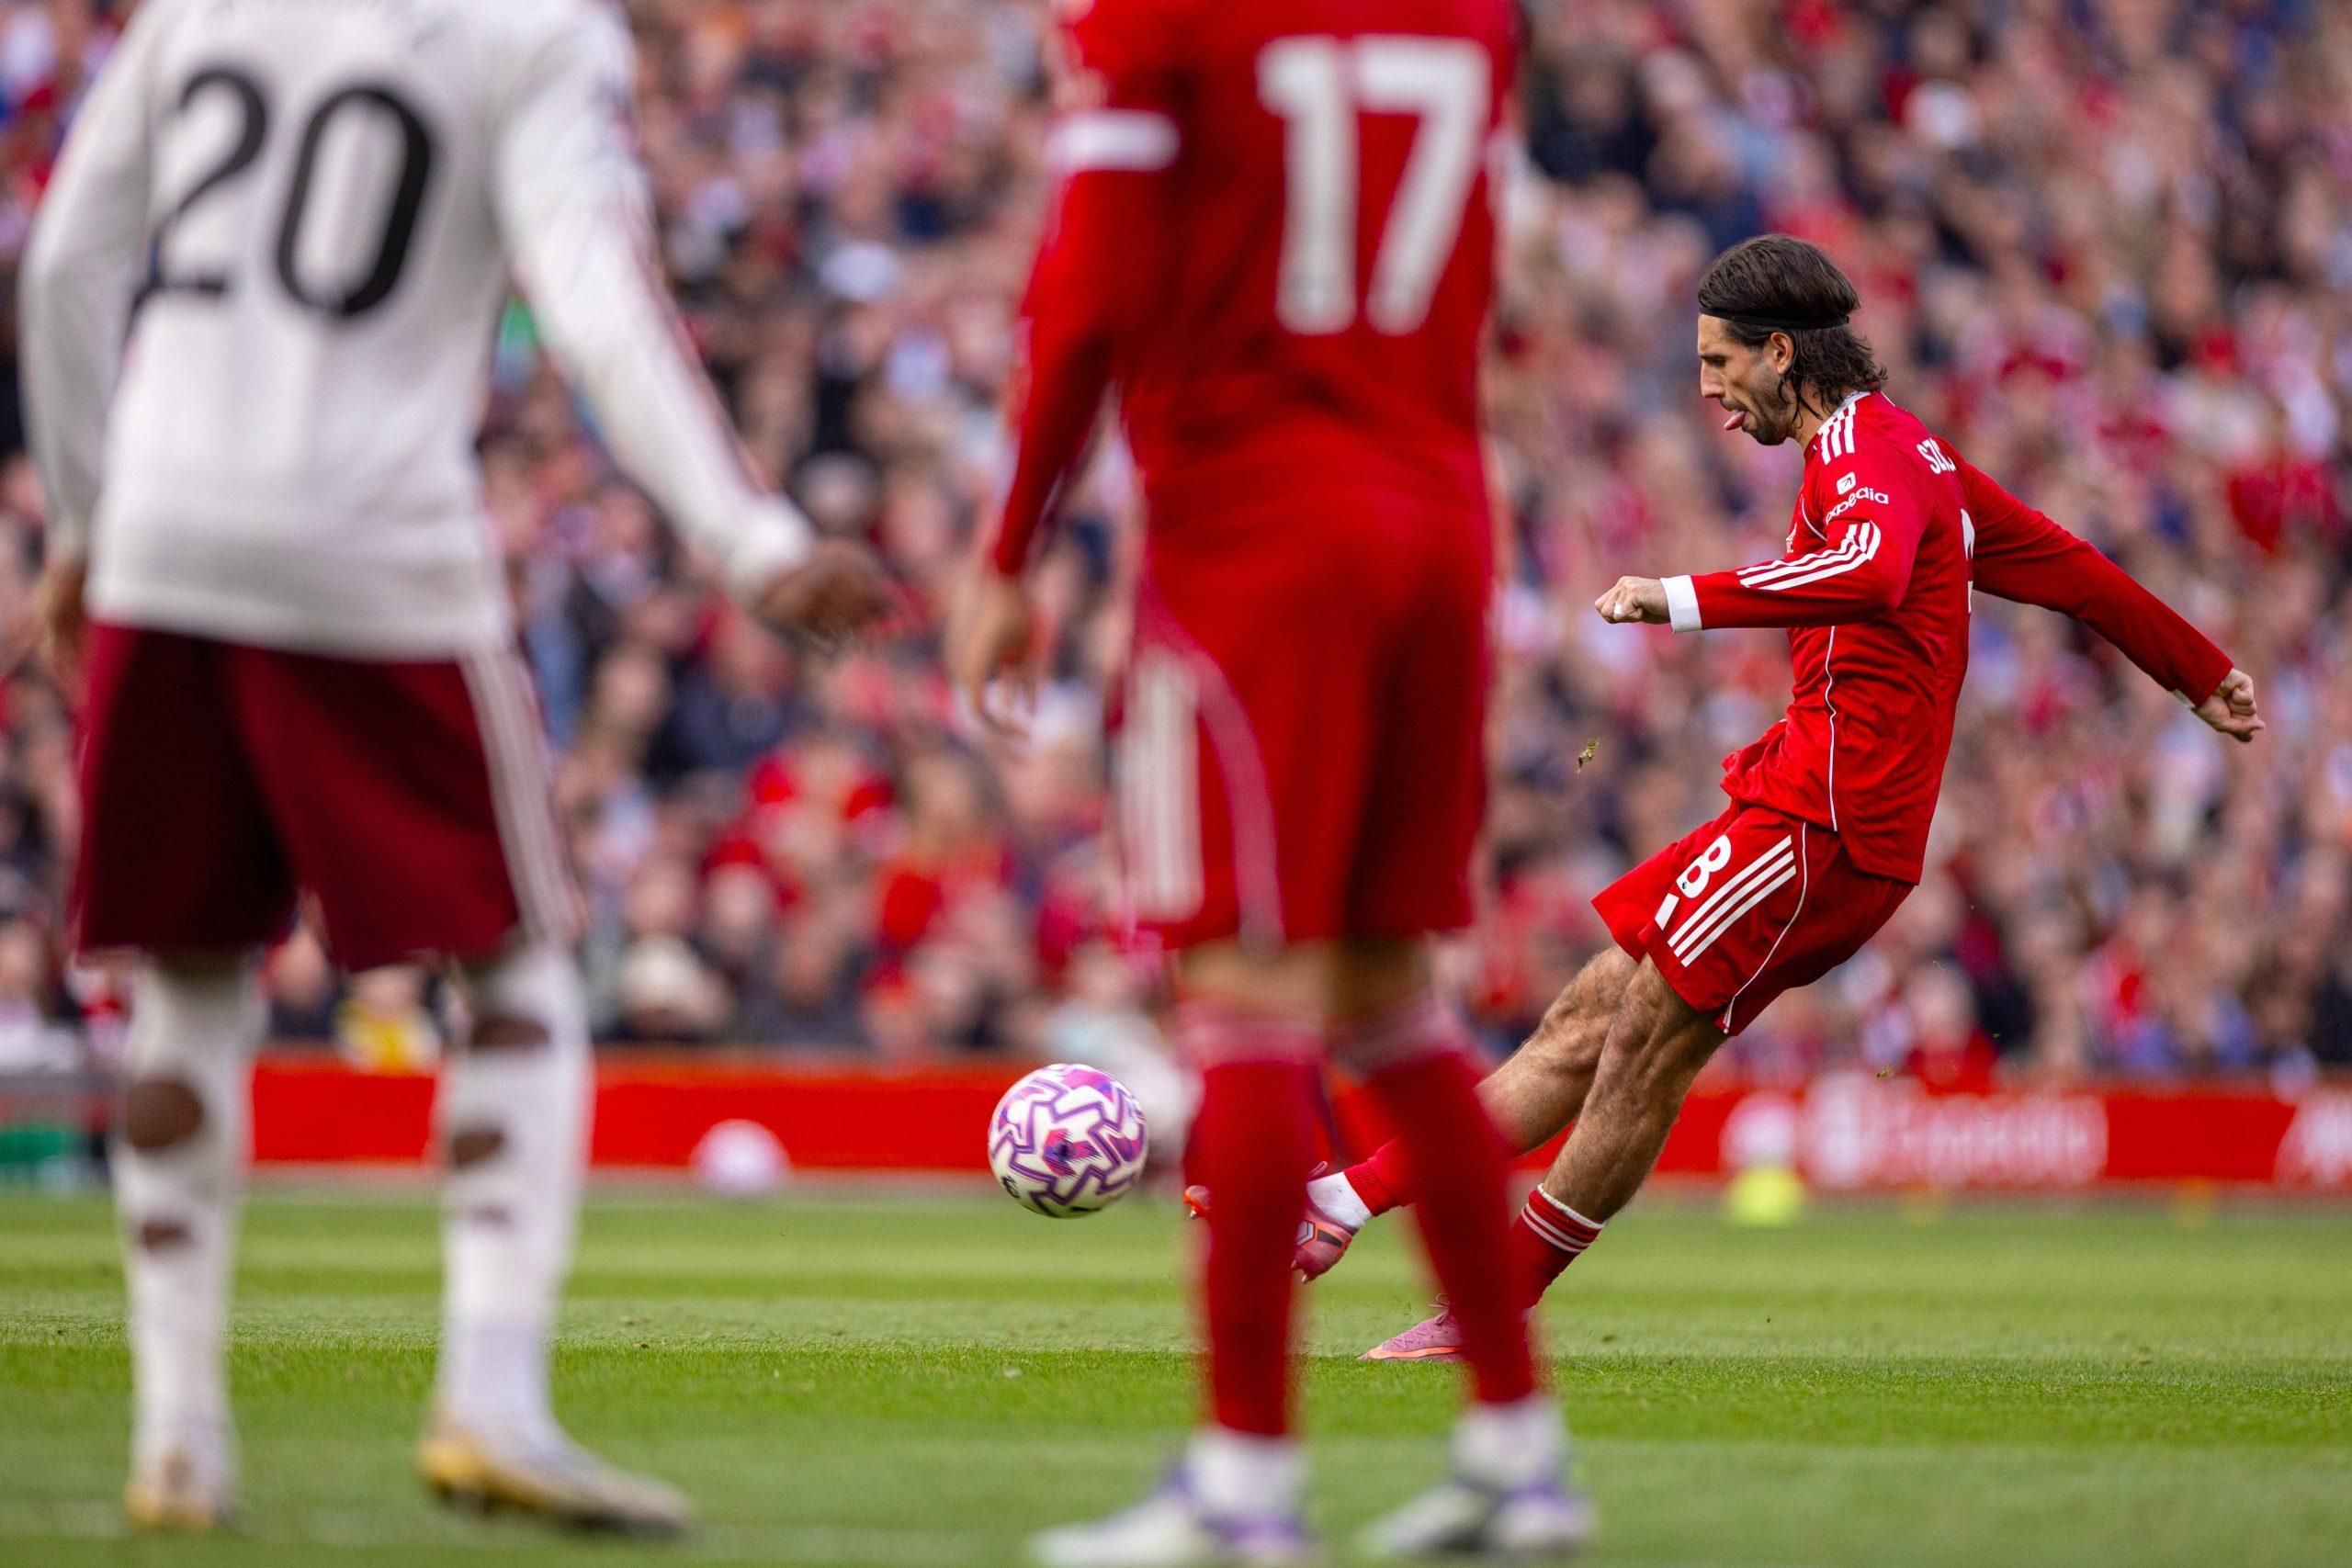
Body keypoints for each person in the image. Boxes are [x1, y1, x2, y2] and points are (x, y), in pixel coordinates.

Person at [21, 0, 888, 1536]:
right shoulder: (533, 30)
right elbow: (593, 298)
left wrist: (91, 514)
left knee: (188, 979)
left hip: (163, 521)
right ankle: (491, 1395)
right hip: (375, 539)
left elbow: (72, 259)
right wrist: (748, 537)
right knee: (521, 967)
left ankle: (179, 1435)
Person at [1195, 233, 2264, 1361]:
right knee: (1589, 1015)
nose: (1707, 390)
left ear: (1783, 353)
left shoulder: (1869, 458)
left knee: (1645, 1041)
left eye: (1719, 363)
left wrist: (1679, 597)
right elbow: (2067, 565)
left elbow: (1873, 572)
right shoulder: (1907, 458)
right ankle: (1344, 1203)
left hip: (1829, 823)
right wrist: (2197, 669)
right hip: (1794, 806)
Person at [944, 0, 1587, 1562]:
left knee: (1242, 996)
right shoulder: (1469, 15)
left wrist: (1012, 545)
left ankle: (1242, 1492)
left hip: (1254, 521)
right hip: (1438, 516)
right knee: (1389, 997)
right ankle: (1520, 1453)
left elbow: (1090, 285)